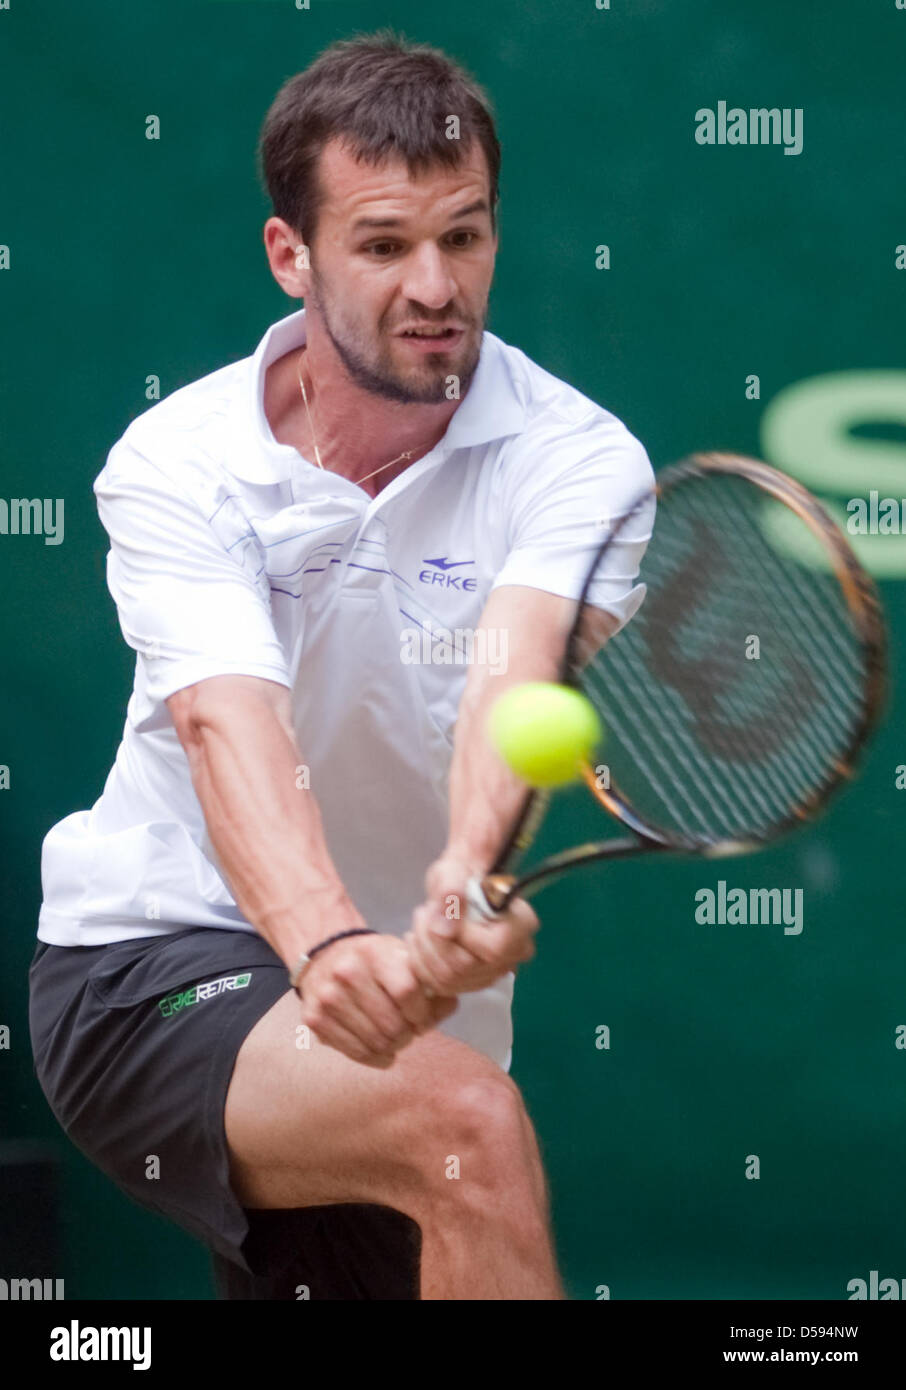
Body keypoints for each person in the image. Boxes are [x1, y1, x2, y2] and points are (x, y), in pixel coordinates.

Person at [28, 29, 654, 1300]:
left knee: (446, 1137)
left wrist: (461, 881)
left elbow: (510, 680)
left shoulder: (583, 465)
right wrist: (323, 945)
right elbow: (224, 724)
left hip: (399, 1020)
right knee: (470, 1133)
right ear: (290, 255)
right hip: (150, 962)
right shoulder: (175, 459)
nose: (436, 285)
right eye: (382, 246)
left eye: (464, 237)